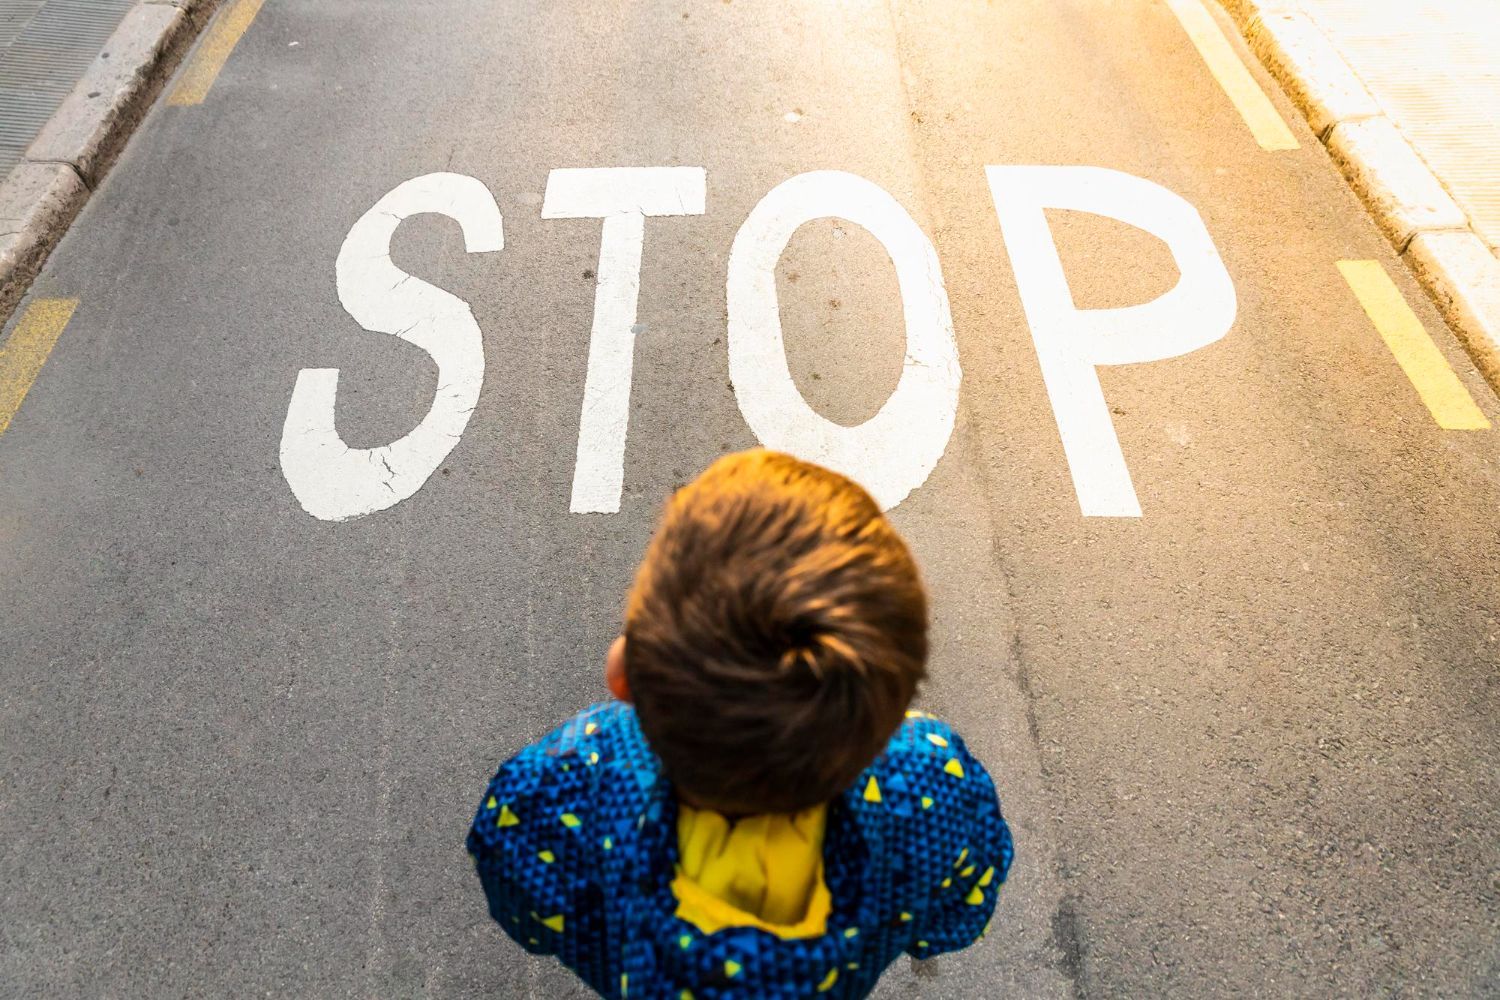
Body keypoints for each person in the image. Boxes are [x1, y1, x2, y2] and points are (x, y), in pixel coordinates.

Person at [467, 449, 1013, 998]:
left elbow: (521, 904)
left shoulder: (558, 791)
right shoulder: (933, 787)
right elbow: (957, 915)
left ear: (622, 673)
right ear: (891, 716)